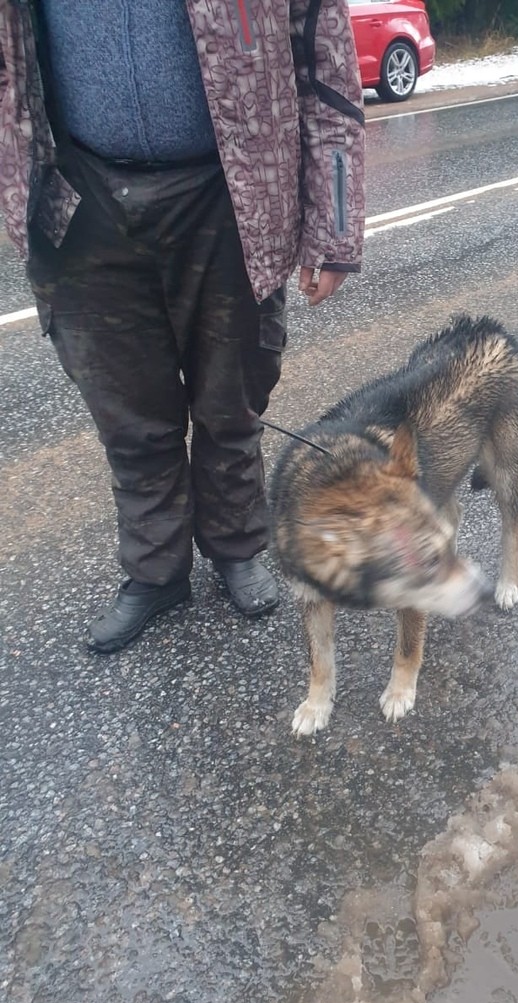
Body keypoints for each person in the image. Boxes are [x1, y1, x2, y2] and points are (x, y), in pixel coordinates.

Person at [0, 0, 365, 653]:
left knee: (231, 404)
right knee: (130, 418)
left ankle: (236, 547)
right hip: (79, 196)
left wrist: (332, 225)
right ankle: (156, 572)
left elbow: (324, 56)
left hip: (235, 194)